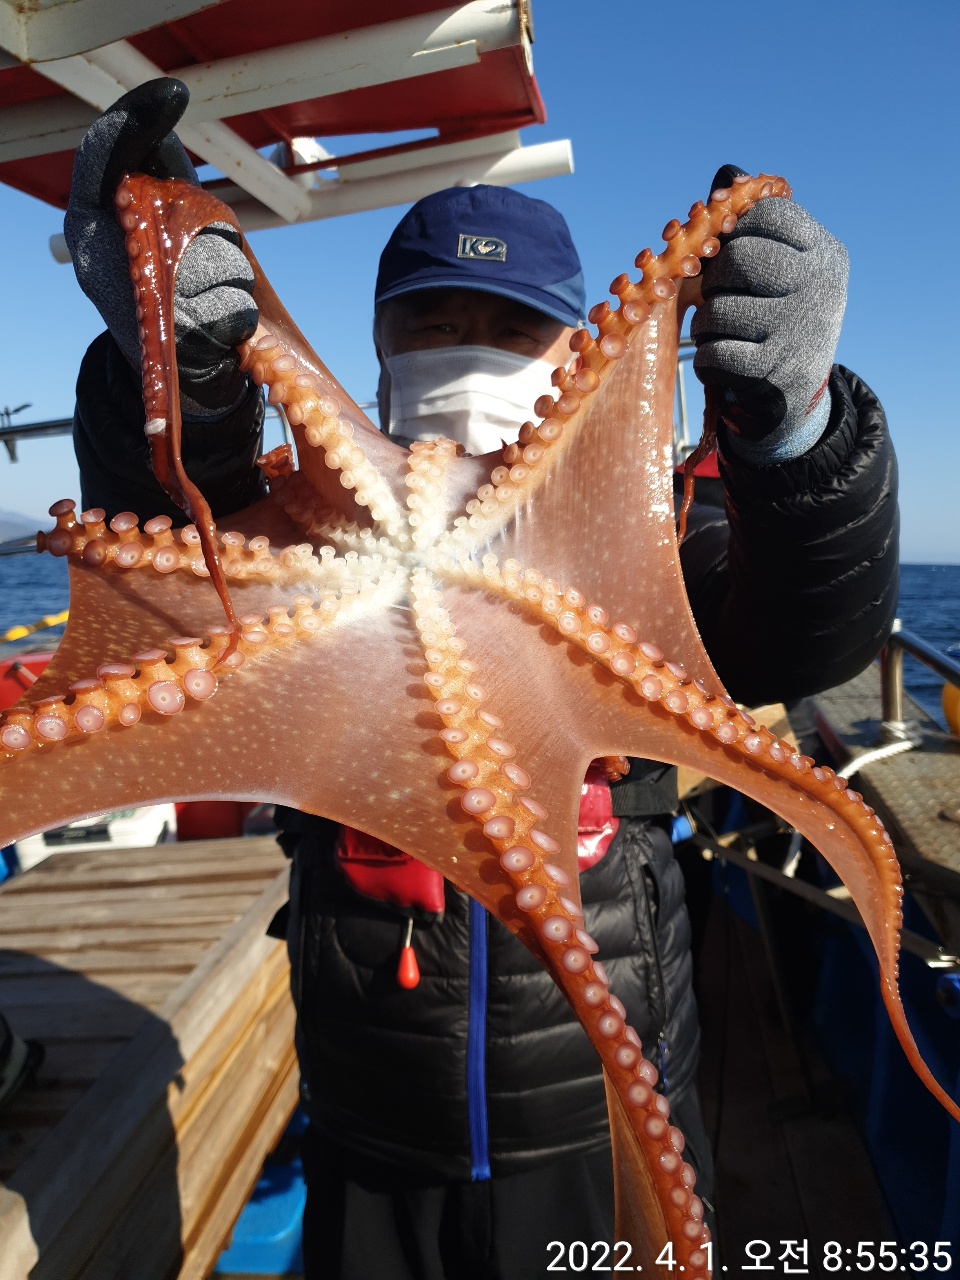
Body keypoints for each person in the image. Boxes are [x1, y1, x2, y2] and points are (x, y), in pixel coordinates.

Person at [64, 80, 898, 1280]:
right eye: (432, 319)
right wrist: (181, 386)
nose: (468, 348)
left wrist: (794, 437)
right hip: (371, 1110)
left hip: (601, 1110)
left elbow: (805, 634)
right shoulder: (298, 540)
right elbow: (174, 573)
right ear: (379, 352)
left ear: (570, 355)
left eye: (512, 327)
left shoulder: (642, 544)